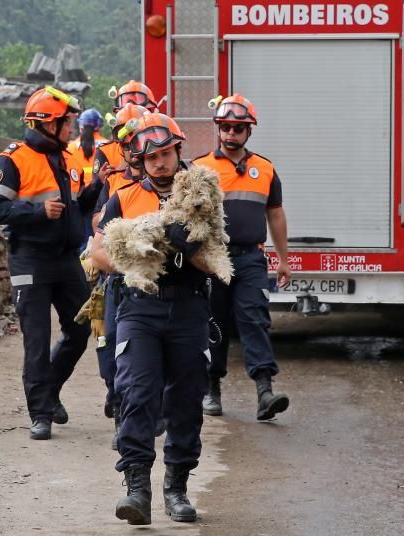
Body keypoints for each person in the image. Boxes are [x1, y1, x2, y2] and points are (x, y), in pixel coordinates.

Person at [90, 113, 211, 525]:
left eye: (166, 153)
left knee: (186, 400)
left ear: (179, 151)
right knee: (137, 393)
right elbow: (98, 252)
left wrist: (189, 249)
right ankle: (137, 489)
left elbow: (216, 262)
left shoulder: (200, 193)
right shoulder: (123, 198)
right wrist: (133, 263)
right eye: (151, 156)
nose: (160, 163)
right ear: (139, 160)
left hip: (190, 306)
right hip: (139, 306)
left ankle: (176, 488)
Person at [0, 86, 101, 441]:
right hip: (29, 259)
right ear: (48, 124)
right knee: (36, 340)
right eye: (67, 122)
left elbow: (76, 209)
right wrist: (36, 211)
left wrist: (98, 186)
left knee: (80, 329)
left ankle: (49, 391)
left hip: (66, 260)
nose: (72, 128)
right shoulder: (12, 160)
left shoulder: (65, 159)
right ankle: (40, 414)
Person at [192, 94, 291, 420]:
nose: (231, 133)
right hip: (212, 259)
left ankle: (265, 392)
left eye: (238, 128)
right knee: (214, 324)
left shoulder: (265, 169)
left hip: (250, 259)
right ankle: (211, 387)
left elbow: (275, 215)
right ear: (218, 129)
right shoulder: (200, 168)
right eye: (226, 127)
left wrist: (284, 259)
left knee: (254, 319)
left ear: (249, 131)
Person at [89, 102, 150, 450]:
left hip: (157, 283)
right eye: (128, 144)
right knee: (111, 343)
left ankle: (141, 414)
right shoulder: (113, 182)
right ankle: (117, 402)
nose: (134, 151)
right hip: (116, 278)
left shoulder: (172, 183)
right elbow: (97, 223)